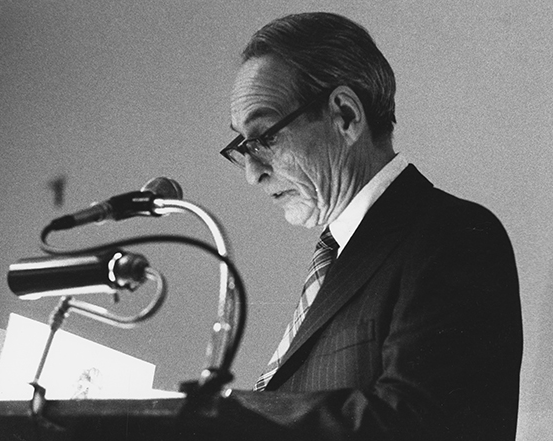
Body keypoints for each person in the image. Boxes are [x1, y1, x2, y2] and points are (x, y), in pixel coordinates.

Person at [219, 12, 523, 441]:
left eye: (265, 135)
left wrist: (226, 414)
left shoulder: (456, 236)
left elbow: (428, 423)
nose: (252, 172)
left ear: (345, 115)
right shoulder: (338, 259)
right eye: (241, 146)